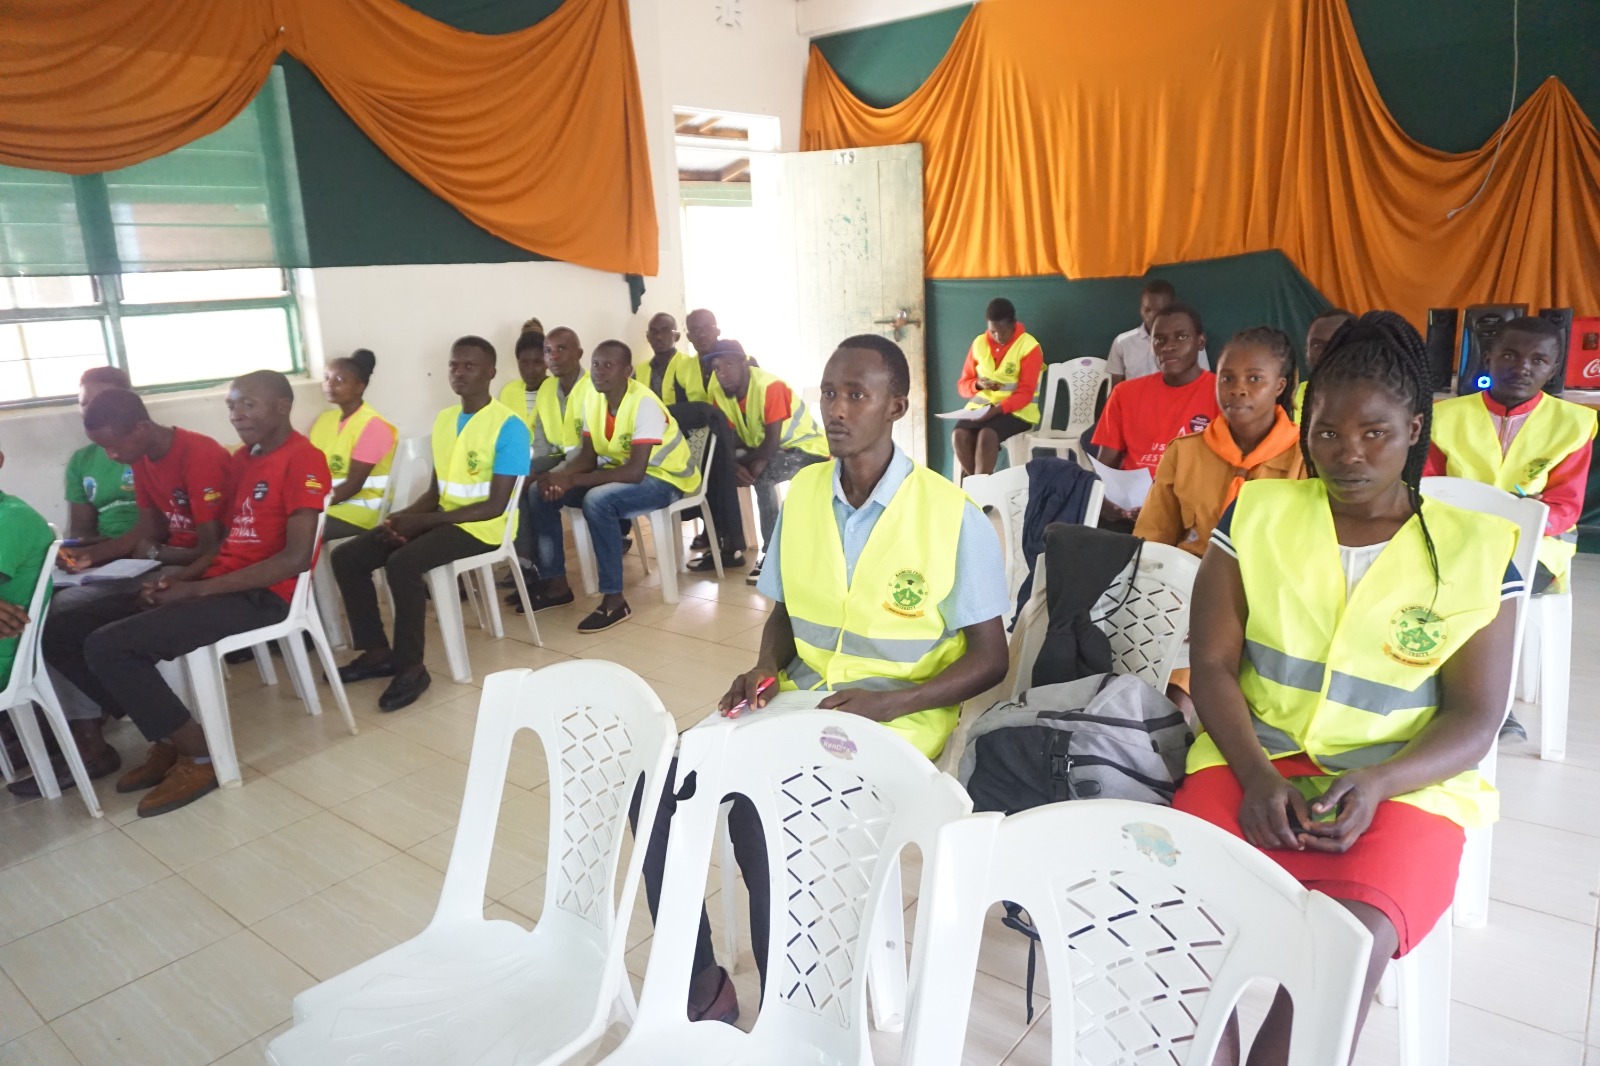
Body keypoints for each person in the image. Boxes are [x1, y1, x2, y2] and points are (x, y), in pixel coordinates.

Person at [632, 333, 1010, 1024]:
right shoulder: (804, 491)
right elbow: (783, 611)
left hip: (898, 719)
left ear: (895, 406)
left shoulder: (952, 516)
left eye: (856, 395)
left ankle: (793, 999)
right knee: (657, 787)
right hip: (801, 699)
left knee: (757, 816)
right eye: (829, 393)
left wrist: (898, 701)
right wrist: (765, 667)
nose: (836, 409)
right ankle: (701, 981)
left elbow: (992, 660)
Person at [1176, 312, 1520, 1066]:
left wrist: (1378, 781)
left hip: (1399, 790)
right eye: (1327, 433)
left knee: (1341, 945)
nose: (1348, 454)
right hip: (1249, 762)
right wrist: (1258, 776)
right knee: (1177, 917)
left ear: (1414, 429)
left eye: (1375, 433)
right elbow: (1210, 669)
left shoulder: (1478, 550)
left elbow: (1477, 715)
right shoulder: (1257, 512)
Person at [44, 371, 332, 818]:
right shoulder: (243, 460)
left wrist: (197, 588)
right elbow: (222, 544)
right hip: (219, 581)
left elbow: (295, 559)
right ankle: (166, 736)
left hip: (266, 593)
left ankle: (202, 756)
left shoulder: (304, 459)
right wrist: (179, 581)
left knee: (111, 646)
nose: (236, 415)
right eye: (231, 406)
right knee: (63, 627)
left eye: (248, 405)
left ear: (282, 406)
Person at [1425, 315, 1596, 741]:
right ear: (1488, 358)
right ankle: (1429, 687)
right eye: (1510, 354)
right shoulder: (1444, 417)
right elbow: (1426, 489)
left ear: (1554, 369)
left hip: (1536, 547)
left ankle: (1488, 704)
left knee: (1488, 587)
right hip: (1456, 538)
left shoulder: (1573, 425)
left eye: (1538, 360)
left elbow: (1565, 507)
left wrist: (1523, 518)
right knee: (1428, 578)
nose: (1522, 366)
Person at [333, 337, 528, 711]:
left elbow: (495, 505)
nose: (459, 373)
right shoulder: (445, 420)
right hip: (446, 518)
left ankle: (411, 668)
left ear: (490, 372)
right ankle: (376, 652)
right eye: (454, 365)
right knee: (349, 556)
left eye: (470, 366)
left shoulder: (509, 426)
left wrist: (424, 522)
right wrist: (405, 518)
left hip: (485, 527)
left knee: (403, 563)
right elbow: (438, 491)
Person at [523, 341, 702, 632]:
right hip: (625, 474)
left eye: (609, 365)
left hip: (667, 479)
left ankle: (615, 599)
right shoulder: (593, 399)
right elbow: (587, 457)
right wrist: (559, 477)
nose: (599, 371)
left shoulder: (643, 402)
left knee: (598, 500)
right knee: (538, 492)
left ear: (627, 371)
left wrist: (571, 479)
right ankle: (556, 584)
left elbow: (634, 472)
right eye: (595, 364)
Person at [1136, 327, 1305, 557]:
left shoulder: (1304, 456)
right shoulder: (1184, 452)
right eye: (1227, 378)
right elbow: (1153, 539)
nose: (1238, 389)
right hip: (1189, 581)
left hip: (1268, 586)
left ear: (1279, 386)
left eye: (1255, 379)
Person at [56, 390, 232, 574]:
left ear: (141, 429)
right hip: (166, 558)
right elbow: (149, 528)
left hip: (198, 566)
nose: (111, 456)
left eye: (114, 446)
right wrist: (90, 555)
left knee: (76, 602)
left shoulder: (200, 456)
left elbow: (212, 549)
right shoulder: (141, 457)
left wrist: (155, 553)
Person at [702, 347, 829, 583]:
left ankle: (772, 555)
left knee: (762, 475)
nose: (722, 373)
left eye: (728, 365)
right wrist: (732, 465)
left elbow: (770, 444)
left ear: (744, 364)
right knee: (720, 467)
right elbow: (726, 439)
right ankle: (730, 545)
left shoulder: (769, 386)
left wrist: (748, 464)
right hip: (764, 448)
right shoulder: (718, 391)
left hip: (806, 449)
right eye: (717, 368)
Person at [1092, 304, 1220, 525]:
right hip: (1130, 511)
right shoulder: (1125, 393)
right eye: (1159, 340)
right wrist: (1104, 499)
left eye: (1181, 337)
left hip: (1190, 511)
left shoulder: (1221, 394)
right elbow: (1106, 466)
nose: (1168, 347)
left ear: (1200, 342)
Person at [310, 349, 397, 542]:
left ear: (360, 386)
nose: (329, 385)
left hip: (362, 510)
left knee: (297, 532)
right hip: (329, 504)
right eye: (326, 378)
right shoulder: (324, 421)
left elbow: (353, 485)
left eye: (339, 380)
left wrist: (311, 505)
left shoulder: (373, 426)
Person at [952, 297, 1043, 478]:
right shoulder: (979, 343)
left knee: (987, 435)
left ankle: (979, 491)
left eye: (1003, 332)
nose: (998, 337)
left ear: (1014, 325)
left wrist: (994, 411)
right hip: (981, 410)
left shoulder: (1029, 346)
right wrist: (977, 384)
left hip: (1018, 412)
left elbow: (1025, 394)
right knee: (959, 435)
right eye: (993, 332)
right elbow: (963, 386)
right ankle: (981, 487)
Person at [63, 367, 139, 549]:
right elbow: (81, 530)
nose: (91, 410)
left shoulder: (150, 448)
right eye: (84, 403)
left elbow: (165, 526)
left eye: (100, 402)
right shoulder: (81, 461)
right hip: (106, 553)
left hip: (153, 549)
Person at [499, 329, 548, 591]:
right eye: (524, 362)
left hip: (549, 455)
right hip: (518, 457)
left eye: (538, 362)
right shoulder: (509, 391)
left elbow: (556, 438)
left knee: (519, 483)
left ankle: (526, 560)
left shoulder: (554, 389)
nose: (530, 369)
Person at [1106, 278, 1210, 388]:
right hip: (1136, 404)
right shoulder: (1122, 342)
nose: (1152, 316)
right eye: (1147, 310)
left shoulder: (1189, 342)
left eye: (1160, 310)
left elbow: (1203, 382)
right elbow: (1115, 388)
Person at [1293, 308, 1354, 421]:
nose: (1327, 352)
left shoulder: (1383, 397)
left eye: (1339, 343)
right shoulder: (1291, 399)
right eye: (1317, 346)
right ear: (1306, 353)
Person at [637, 313, 707, 405]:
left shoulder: (690, 365)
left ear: (677, 337)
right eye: (654, 332)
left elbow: (699, 403)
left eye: (665, 331)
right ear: (648, 337)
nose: (658, 337)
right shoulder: (639, 371)